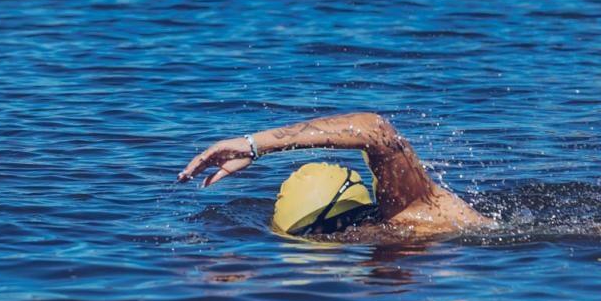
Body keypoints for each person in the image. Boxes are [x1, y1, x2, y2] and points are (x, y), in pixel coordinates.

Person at [178, 112, 491, 237]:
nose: (330, 236)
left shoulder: (412, 209)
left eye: (328, 229)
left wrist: (253, 145)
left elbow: (376, 130)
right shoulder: (377, 233)